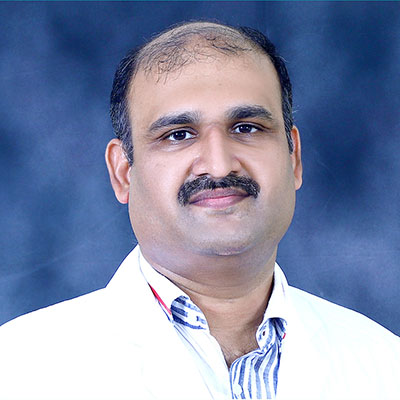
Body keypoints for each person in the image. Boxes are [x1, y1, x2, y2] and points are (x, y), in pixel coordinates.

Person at [0, 21, 399, 400]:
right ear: (123, 173)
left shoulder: (385, 365)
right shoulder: (21, 369)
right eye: (178, 135)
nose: (219, 165)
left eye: (247, 127)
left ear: (293, 158)